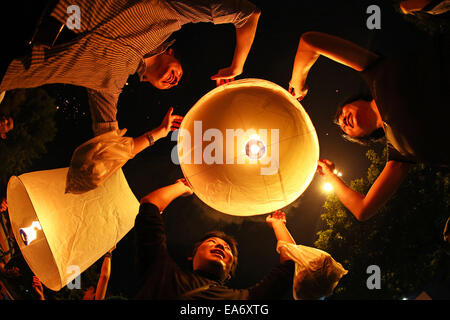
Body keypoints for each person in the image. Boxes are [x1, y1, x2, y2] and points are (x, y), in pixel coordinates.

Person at [0, 0, 261, 136]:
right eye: (180, 74)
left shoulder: (109, 84)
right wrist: (236, 66)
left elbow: (107, 146)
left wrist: (157, 135)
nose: (175, 80)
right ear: (171, 52)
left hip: (11, 71)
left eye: (172, 86)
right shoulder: (169, 16)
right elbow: (247, 14)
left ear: (148, 83)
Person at [288, 31, 449, 221]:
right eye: (344, 129)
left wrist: (297, 83)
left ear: (353, 101)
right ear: (362, 138)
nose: (343, 121)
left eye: (341, 113)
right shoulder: (399, 154)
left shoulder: (375, 71)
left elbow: (310, 41)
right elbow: (362, 210)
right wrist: (330, 175)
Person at [133, 179, 296, 299]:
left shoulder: (244, 300)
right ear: (192, 256)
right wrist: (182, 186)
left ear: (230, 273)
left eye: (227, 248)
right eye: (212, 241)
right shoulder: (162, 272)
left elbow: (292, 263)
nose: (220, 246)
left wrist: (278, 225)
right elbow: (149, 206)